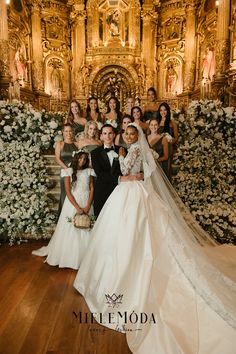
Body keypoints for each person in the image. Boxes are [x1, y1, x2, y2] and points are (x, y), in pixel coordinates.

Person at [74, 123, 236, 354]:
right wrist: (126, 174)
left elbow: (137, 170)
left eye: (132, 133)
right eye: (126, 133)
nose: (129, 136)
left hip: (134, 193)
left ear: (136, 136)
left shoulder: (135, 150)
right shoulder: (123, 150)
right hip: (124, 191)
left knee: (139, 230)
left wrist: (127, 170)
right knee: (118, 234)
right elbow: (117, 174)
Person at [32, 151, 95, 269]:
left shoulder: (89, 171)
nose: (82, 161)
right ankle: (70, 257)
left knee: (86, 225)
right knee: (71, 227)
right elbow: (68, 191)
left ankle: (86, 258)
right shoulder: (68, 172)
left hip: (86, 201)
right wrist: (77, 207)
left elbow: (91, 188)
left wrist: (87, 205)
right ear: (76, 159)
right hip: (73, 202)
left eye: (85, 159)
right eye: (80, 159)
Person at [90, 124, 142, 217]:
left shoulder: (124, 150)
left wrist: (141, 174)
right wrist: (120, 178)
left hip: (120, 192)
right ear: (101, 136)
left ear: (114, 135)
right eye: (105, 133)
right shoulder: (95, 153)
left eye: (110, 133)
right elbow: (100, 174)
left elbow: (132, 166)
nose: (108, 136)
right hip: (103, 191)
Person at [55, 124, 78, 217]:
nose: (68, 133)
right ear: (63, 132)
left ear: (73, 132)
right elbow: (57, 159)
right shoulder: (60, 144)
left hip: (75, 172)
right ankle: (63, 217)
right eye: (66, 131)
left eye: (70, 131)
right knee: (65, 193)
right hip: (65, 172)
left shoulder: (76, 144)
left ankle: (73, 215)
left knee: (75, 193)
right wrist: (66, 169)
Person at [157, 102, 178, 180]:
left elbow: (176, 138)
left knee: (166, 168)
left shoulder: (172, 123)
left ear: (168, 111)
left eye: (165, 110)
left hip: (168, 147)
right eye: (161, 110)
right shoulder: (157, 122)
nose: (163, 112)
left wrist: (171, 140)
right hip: (158, 148)